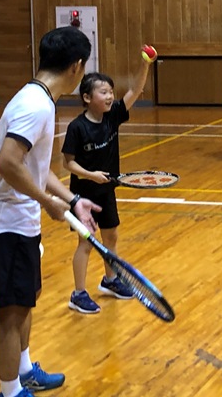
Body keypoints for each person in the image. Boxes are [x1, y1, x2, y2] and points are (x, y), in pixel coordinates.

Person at [0, 26, 103, 397]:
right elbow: (8, 163)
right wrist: (47, 202)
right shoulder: (35, 106)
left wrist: (71, 199)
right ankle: (11, 391)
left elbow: (36, 167)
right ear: (76, 66)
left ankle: (25, 371)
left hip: (20, 221)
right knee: (12, 312)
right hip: (5, 224)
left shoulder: (40, 99)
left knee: (25, 301)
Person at [61, 53, 152, 314]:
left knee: (111, 236)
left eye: (111, 91)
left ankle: (110, 280)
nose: (110, 96)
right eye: (104, 92)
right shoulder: (77, 127)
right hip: (84, 195)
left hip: (107, 190)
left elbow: (135, 90)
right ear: (87, 97)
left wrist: (144, 64)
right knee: (86, 243)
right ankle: (78, 293)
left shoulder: (113, 117)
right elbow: (68, 164)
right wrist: (91, 175)